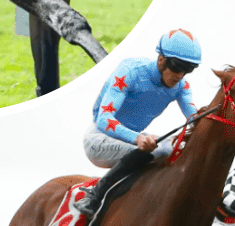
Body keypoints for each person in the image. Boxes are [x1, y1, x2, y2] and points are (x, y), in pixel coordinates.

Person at [73, 29, 202, 216]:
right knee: (160, 150)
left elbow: (195, 120)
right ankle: (94, 196)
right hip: (98, 138)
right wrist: (137, 138)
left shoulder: (182, 87)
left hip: (132, 142)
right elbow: (104, 119)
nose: (180, 75)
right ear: (161, 60)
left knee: (176, 146)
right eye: (177, 67)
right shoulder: (131, 71)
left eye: (188, 69)